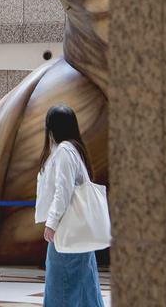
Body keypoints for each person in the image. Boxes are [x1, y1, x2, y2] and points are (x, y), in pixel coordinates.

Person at [35, 105, 105, 307]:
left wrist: (52, 222)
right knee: (86, 287)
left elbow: (62, 191)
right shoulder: (74, 149)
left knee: (61, 285)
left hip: (67, 231)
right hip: (80, 232)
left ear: (51, 128)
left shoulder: (64, 151)